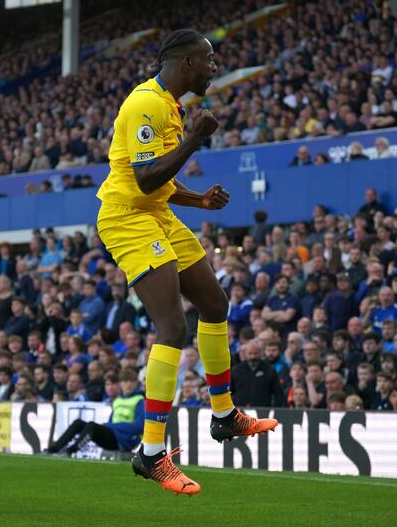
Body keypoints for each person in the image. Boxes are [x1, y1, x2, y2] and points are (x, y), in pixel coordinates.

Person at [94, 29, 276, 495]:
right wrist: (194, 138)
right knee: (172, 329)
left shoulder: (170, 105)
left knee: (214, 304)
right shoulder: (145, 105)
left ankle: (224, 416)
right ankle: (151, 453)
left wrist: (199, 200)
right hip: (127, 218)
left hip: (157, 213)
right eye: (210, 60)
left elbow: (162, 181)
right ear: (188, 63)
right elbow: (146, 176)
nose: (216, 68)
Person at [44, 369, 144, 456]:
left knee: (91, 426)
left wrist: (113, 426)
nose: (129, 384)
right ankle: (54, 449)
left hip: (125, 441)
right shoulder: (118, 400)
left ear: (136, 383)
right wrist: (110, 426)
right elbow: (111, 422)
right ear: (120, 384)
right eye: (125, 381)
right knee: (78, 423)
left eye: (132, 381)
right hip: (113, 435)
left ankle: (70, 451)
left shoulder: (140, 401)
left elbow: (139, 426)